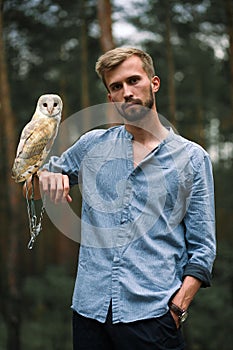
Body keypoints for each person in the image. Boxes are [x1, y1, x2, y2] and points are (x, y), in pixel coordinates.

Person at [25, 47, 216, 349]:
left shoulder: (192, 158)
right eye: (116, 87)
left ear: (154, 83)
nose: (126, 92)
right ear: (110, 98)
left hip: (154, 318)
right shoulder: (92, 145)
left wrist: (178, 307)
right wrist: (45, 175)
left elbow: (203, 248)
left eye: (133, 81)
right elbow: (34, 184)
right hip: (89, 315)